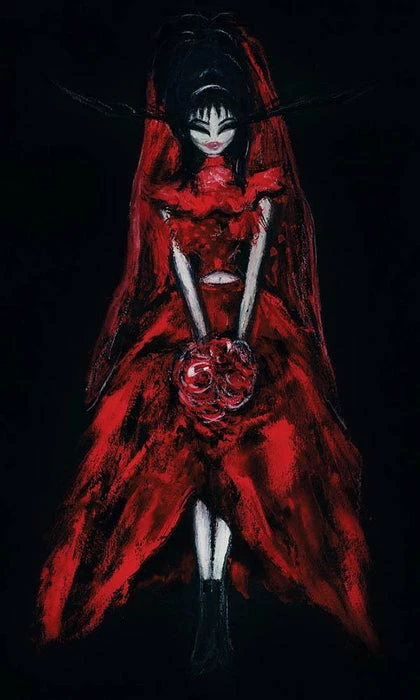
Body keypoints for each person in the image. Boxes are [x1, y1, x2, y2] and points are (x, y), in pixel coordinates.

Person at [37, 14, 377, 673]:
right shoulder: (169, 200)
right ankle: (210, 592)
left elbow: (256, 273)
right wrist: (199, 346)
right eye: (201, 125)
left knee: (255, 458)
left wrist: (241, 345)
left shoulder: (262, 195)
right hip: (185, 325)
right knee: (182, 464)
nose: (215, 136)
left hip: (254, 324)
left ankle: (222, 594)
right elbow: (182, 277)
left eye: (225, 123)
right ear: (184, 128)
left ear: (243, 123)